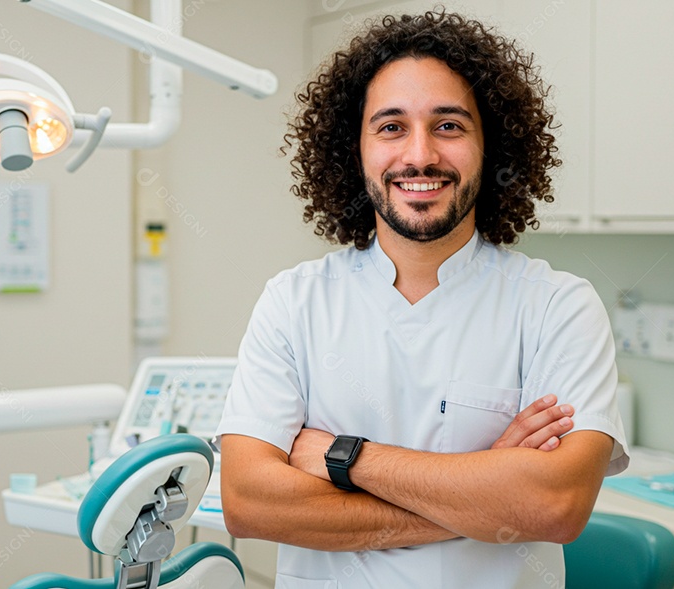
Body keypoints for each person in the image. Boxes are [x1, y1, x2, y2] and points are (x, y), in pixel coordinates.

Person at [214, 9, 629, 589]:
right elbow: (251, 504)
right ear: (352, 149)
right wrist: (485, 495)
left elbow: (554, 506)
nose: (419, 155)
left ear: (492, 145)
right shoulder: (293, 303)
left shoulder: (557, 307)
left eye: (449, 126)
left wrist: (344, 458)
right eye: (390, 127)